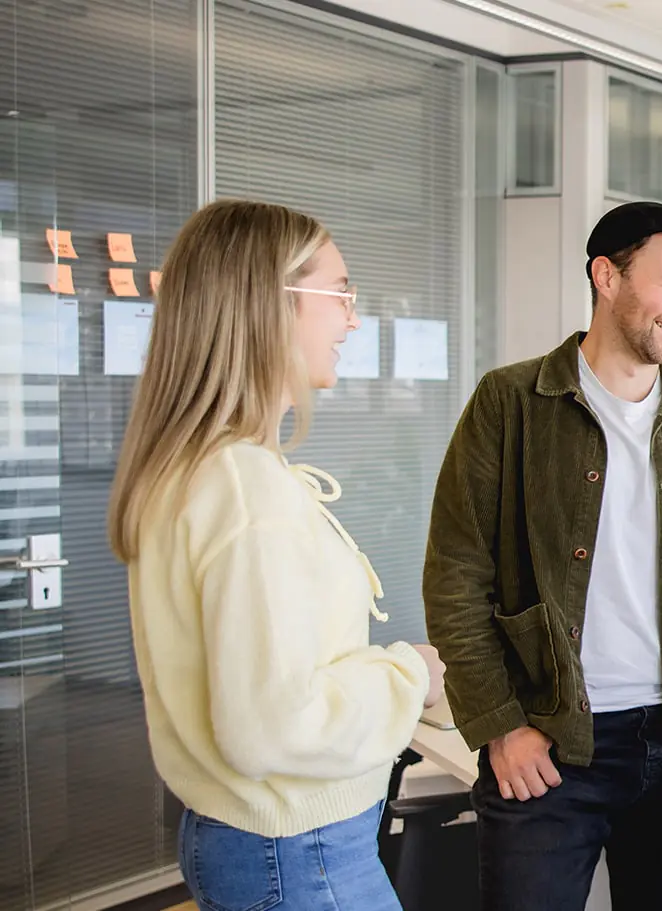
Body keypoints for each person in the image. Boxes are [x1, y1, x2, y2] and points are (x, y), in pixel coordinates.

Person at [423, 200, 662, 911]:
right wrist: (500, 725)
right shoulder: (511, 403)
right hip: (551, 746)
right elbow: (456, 578)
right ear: (606, 277)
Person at [108, 199, 446, 911]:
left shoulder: (196, 470)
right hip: (300, 854)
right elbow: (274, 726)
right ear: (270, 302)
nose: (353, 320)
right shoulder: (243, 487)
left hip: (250, 838)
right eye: (340, 293)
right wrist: (411, 671)